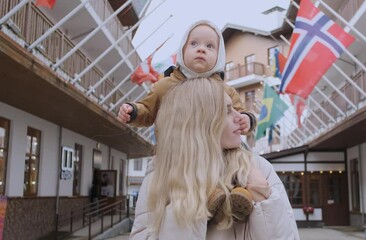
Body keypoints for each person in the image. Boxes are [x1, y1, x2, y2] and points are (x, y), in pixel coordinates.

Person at [118, 19, 257, 220]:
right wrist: (133, 111)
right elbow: (148, 109)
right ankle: (213, 196)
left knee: (235, 162)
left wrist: (246, 120)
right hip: (178, 151)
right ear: (182, 49)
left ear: (219, 56)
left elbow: (240, 112)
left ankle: (238, 195)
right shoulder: (166, 85)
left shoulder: (224, 90)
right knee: (187, 174)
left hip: (215, 150)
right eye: (194, 44)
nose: (201, 49)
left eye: (210, 46)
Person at [130, 78, 299, 239]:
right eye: (227, 111)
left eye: (234, 108)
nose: (239, 117)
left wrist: (262, 194)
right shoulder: (161, 173)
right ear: (199, 121)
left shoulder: (259, 167)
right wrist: (187, 200)